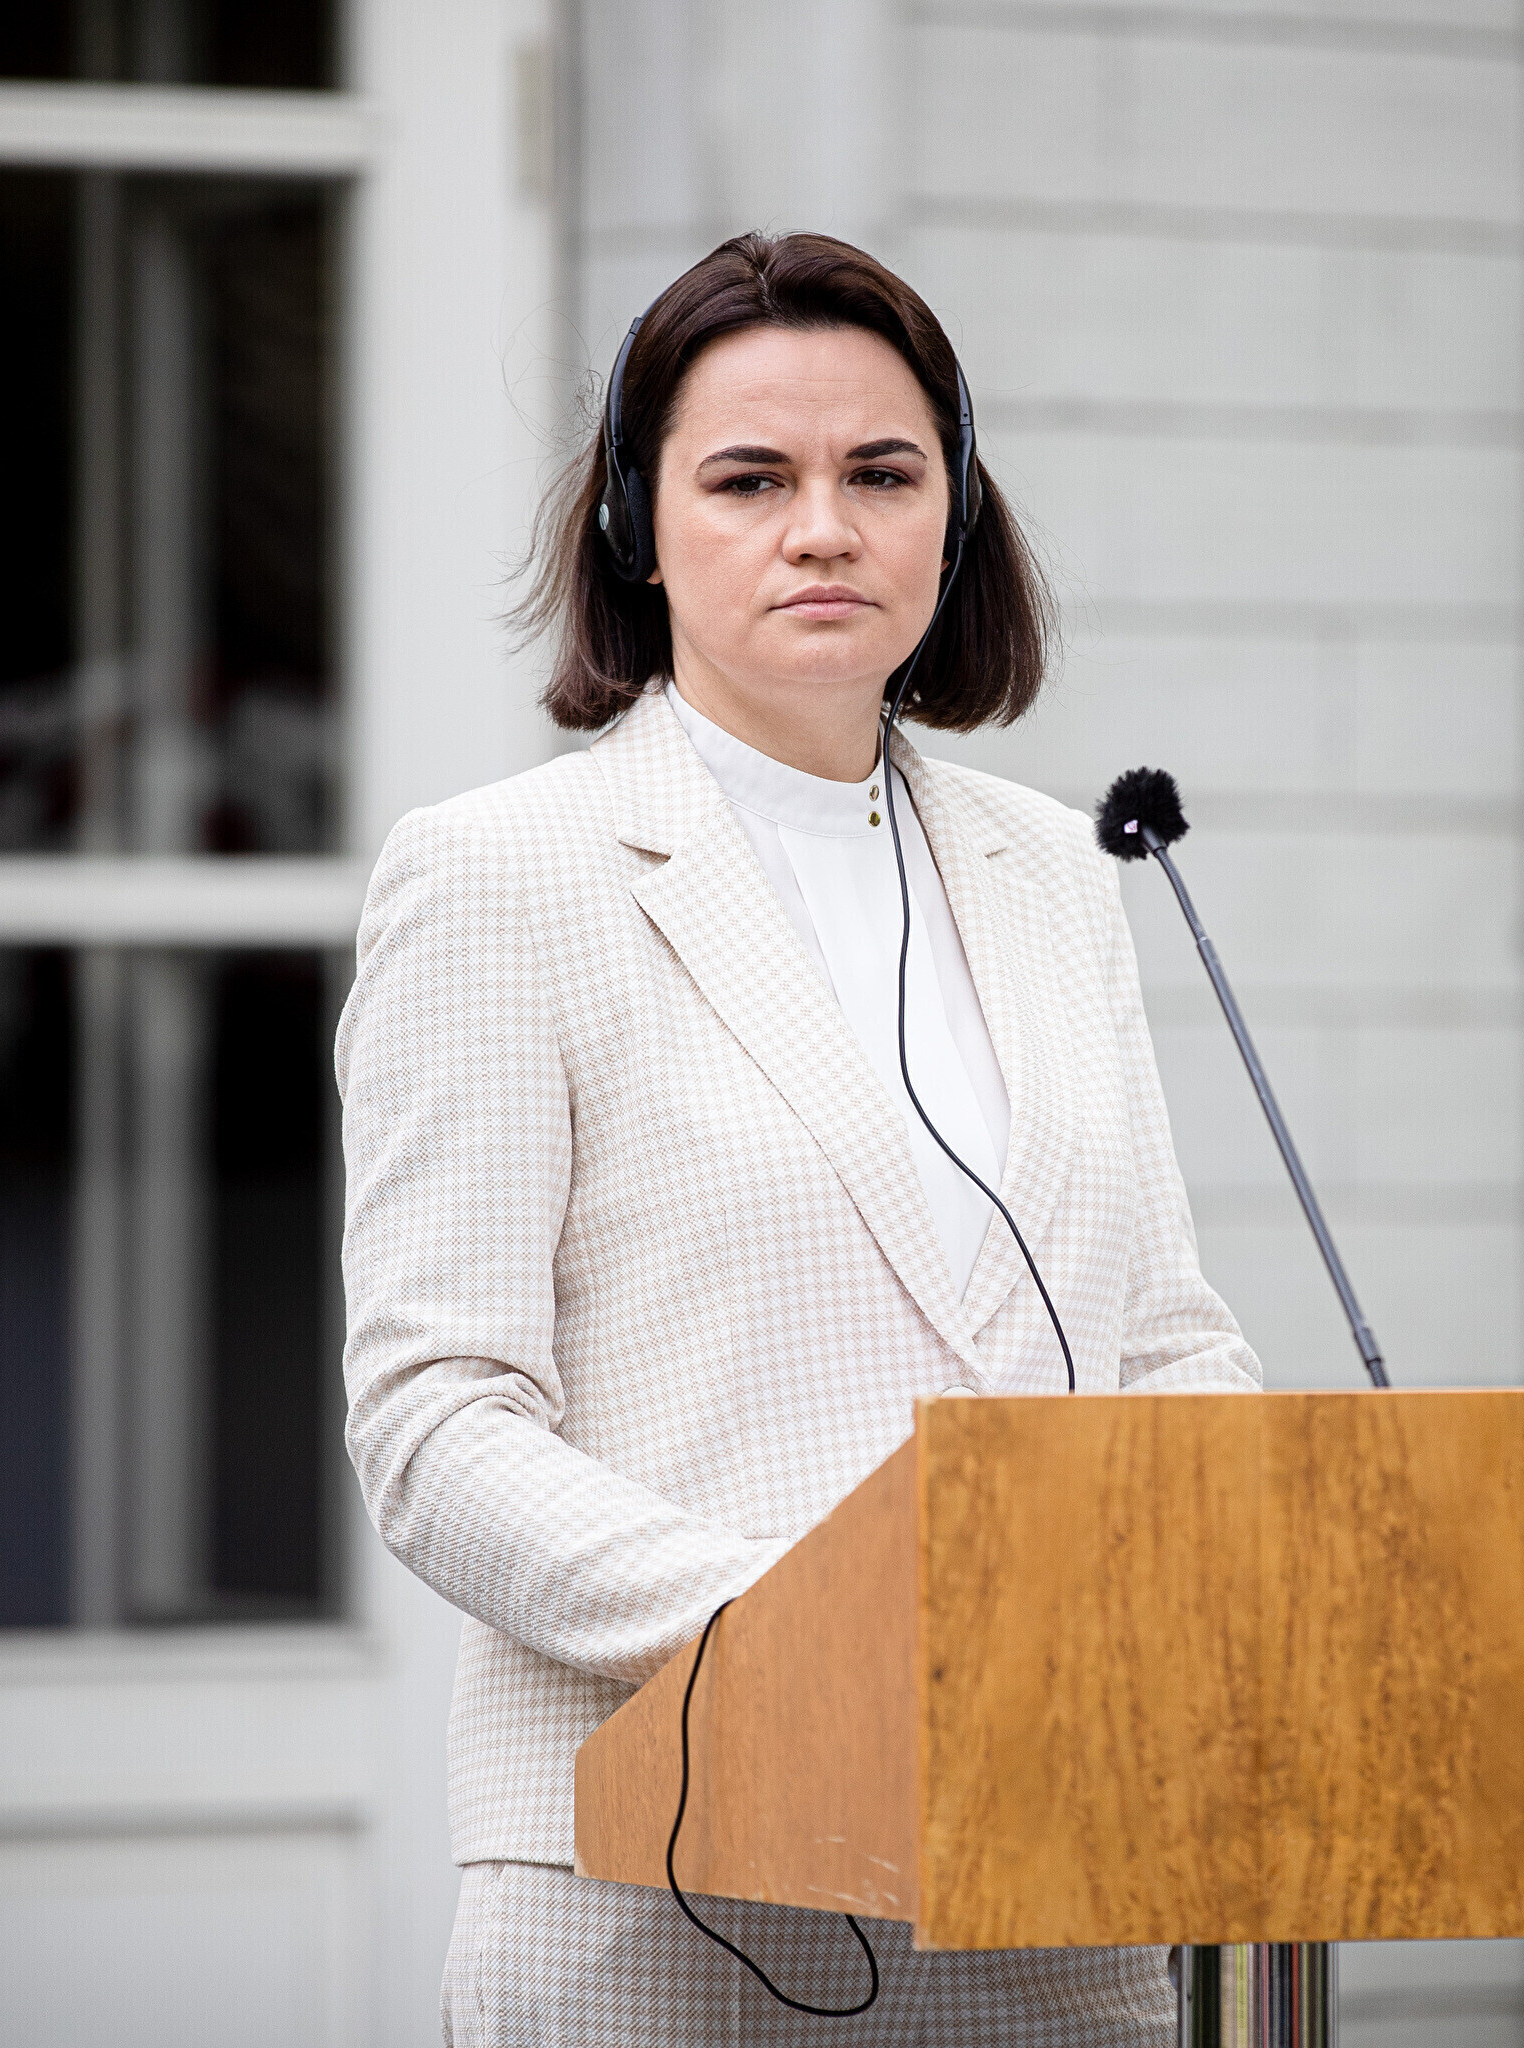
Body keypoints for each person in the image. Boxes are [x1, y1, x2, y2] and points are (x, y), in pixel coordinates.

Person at [335, 231, 1259, 2044]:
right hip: (667, 1884)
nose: (822, 529)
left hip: (1056, 1892)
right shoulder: (496, 877)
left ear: (954, 517)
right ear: (636, 524)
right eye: (750, 478)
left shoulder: (1064, 874)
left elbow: (1165, 1342)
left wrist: (1223, 1556)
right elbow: (437, 1421)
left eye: (882, 475)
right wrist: (825, 1641)